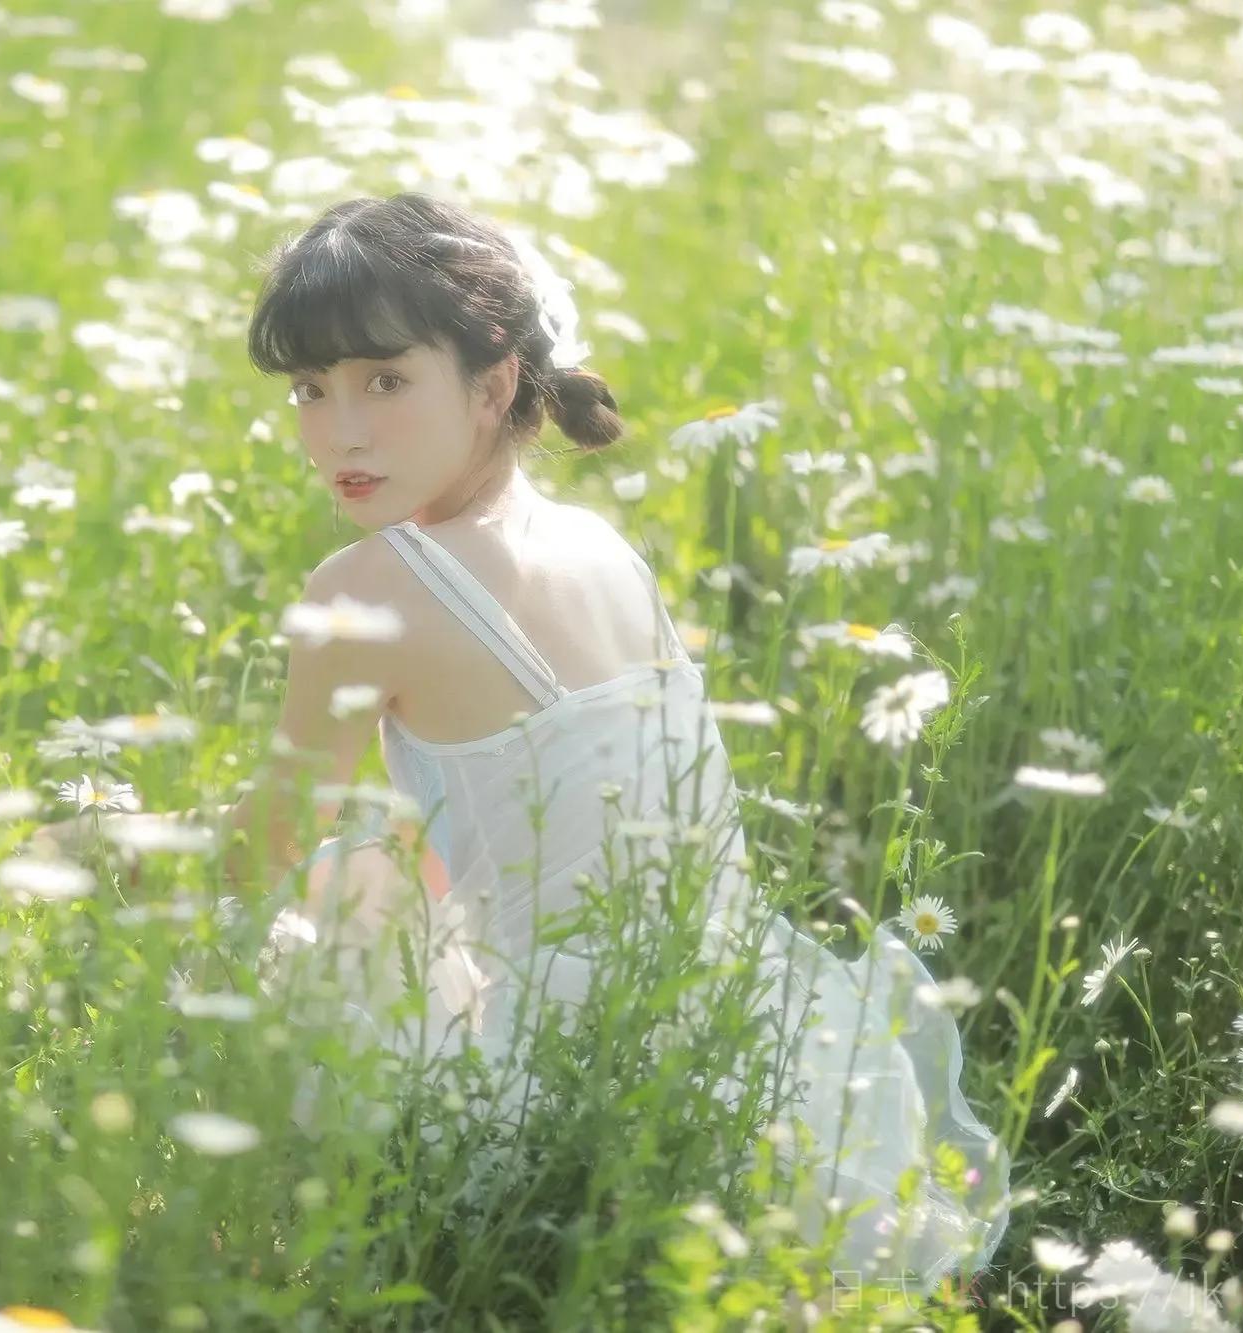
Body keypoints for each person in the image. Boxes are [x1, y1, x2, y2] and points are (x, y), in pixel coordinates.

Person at [55, 191, 1012, 1292]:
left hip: (559, 1088)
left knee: (253, 914)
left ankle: (146, 1206)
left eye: (384, 381)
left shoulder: (367, 589)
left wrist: (89, 841)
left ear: (494, 382)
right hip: (762, 1054)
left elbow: (253, 850)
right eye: (311, 389)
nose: (340, 432)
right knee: (371, 866)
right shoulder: (598, 543)